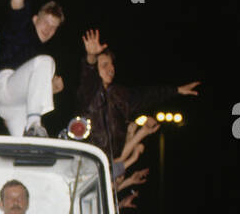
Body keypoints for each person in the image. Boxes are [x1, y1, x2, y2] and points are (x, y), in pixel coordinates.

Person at [78, 28, 200, 159]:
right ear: (96, 70)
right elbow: (88, 74)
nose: (111, 68)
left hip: (111, 164)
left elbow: (148, 94)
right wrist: (91, 56)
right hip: (89, 159)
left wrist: (176, 90)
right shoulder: (89, 92)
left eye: (112, 64)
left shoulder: (120, 94)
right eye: (105, 65)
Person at [0, 0, 65, 137]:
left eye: (53, 28)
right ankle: (33, 123)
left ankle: (31, 129)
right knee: (47, 62)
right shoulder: (23, 28)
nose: (48, 29)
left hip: (18, 105)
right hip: (6, 85)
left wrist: (51, 87)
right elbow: (17, 1)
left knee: (26, 149)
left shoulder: (39, 52)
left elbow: (35, 86)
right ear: (34, 19)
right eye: (46, 22)